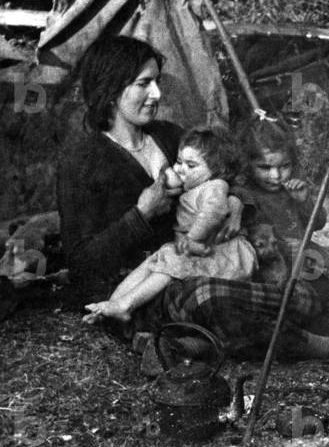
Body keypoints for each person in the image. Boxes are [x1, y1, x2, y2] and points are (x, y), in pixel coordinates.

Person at [57, 35, 329, 360]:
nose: (156, 94)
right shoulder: (83, 160)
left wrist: (237, 203)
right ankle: (310, 344)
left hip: (203, 261)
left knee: (299, 289)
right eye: (144, 84)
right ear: (111, 90)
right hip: (142, 288)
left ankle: (193, 345)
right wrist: (141, 215)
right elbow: (81, 263)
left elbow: (226, 174)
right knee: (208, 297)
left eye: (156, 81)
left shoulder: (169, 136)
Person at [83, 126, 257, 324]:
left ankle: (126, 305)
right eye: (180, 161)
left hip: (223, 255)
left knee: (171, 259)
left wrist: (193, 238)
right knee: (155, 260)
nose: (181, 169)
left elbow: (214, 212)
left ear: (218, 171)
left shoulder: (215, 186)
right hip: (202, 251)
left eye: (191, 166)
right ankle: (112, 305)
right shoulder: (199, 186)